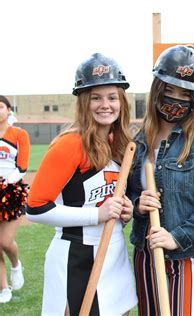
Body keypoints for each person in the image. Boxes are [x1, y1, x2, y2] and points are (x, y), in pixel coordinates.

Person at [26, 53, 137, 315]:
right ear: (83, 102)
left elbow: (110, 197)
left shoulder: (120, 144)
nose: (105, 105)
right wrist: (97, 214)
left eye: (112, 97)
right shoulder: (69, 144)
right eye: (95, 98)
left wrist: (124, 211)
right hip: (75, 255)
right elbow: (35, 208)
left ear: (121, 101)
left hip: (114, 252)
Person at [126, 45, 194, 316]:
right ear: (157, 90)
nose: (175, 99)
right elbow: (128, 194)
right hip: (147, 253)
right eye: (169, 90)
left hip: (190, 255)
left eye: (184, 93)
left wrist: (176, 237)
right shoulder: (138, 142)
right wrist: (138, 204)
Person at [0, 95, 29, 304]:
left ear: (8, 110)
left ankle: (16, 265)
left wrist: (5, 183)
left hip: (11, 192)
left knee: (5, 241)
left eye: (0, 106)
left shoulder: (19, 134)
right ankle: (3, 288)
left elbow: (23, 167)